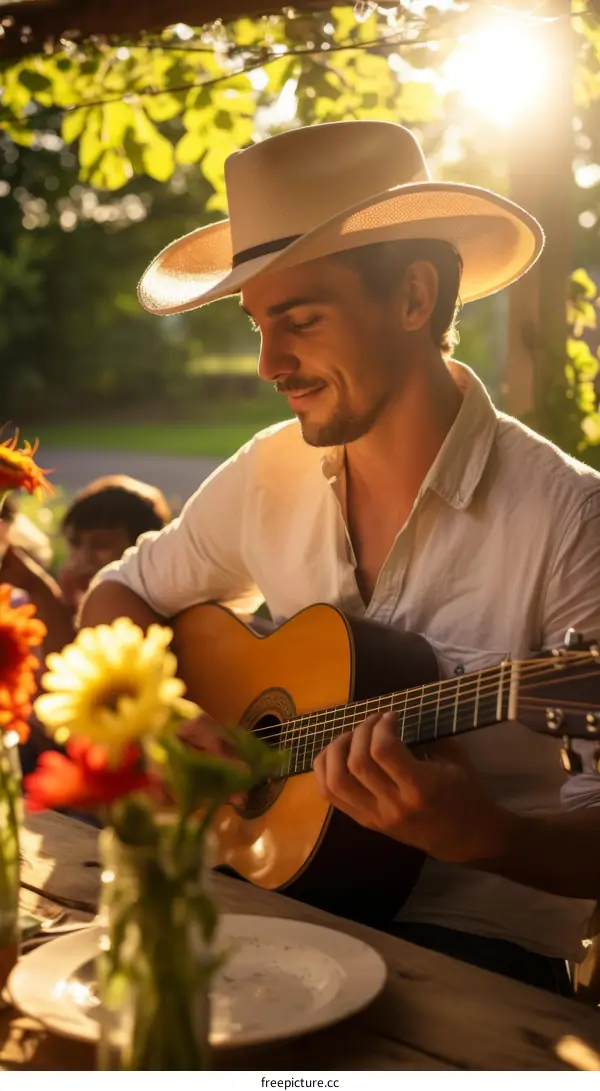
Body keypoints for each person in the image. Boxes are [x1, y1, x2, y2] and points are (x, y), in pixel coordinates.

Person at [80, 121, 600, 994]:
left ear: (413, 297)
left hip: (475, 953)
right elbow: (116, 593)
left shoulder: (571, 519)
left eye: (300, 320)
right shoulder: (267, 472)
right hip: (263, 900)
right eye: (257, 324)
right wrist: (158, 718)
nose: (267, 363)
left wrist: (492, 836)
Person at [1, 474, 171, 771]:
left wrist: (43, 593)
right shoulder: (66, 602)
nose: (83, 558)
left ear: (143, 551)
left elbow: (69, 689)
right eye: (75, 544)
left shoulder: (140, 613)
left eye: (100, 545)